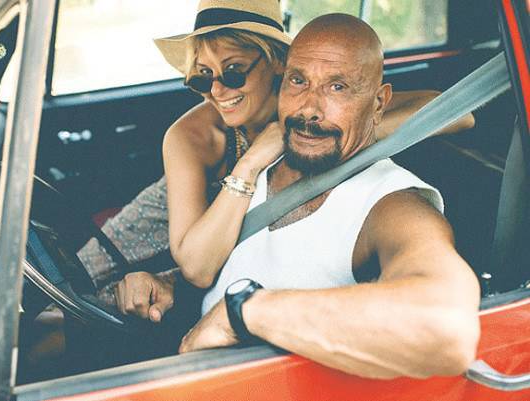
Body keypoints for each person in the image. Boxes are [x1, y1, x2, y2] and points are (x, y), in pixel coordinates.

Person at [120, 13, 481, 379]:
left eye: (337, 87)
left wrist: (244, 311)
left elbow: (446, 325)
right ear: (284, 81)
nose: (309, 108)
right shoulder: (260, 163)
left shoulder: (391, 203)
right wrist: (170, 282)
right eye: (298, 81)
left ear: (378, 104)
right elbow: (236, 260)